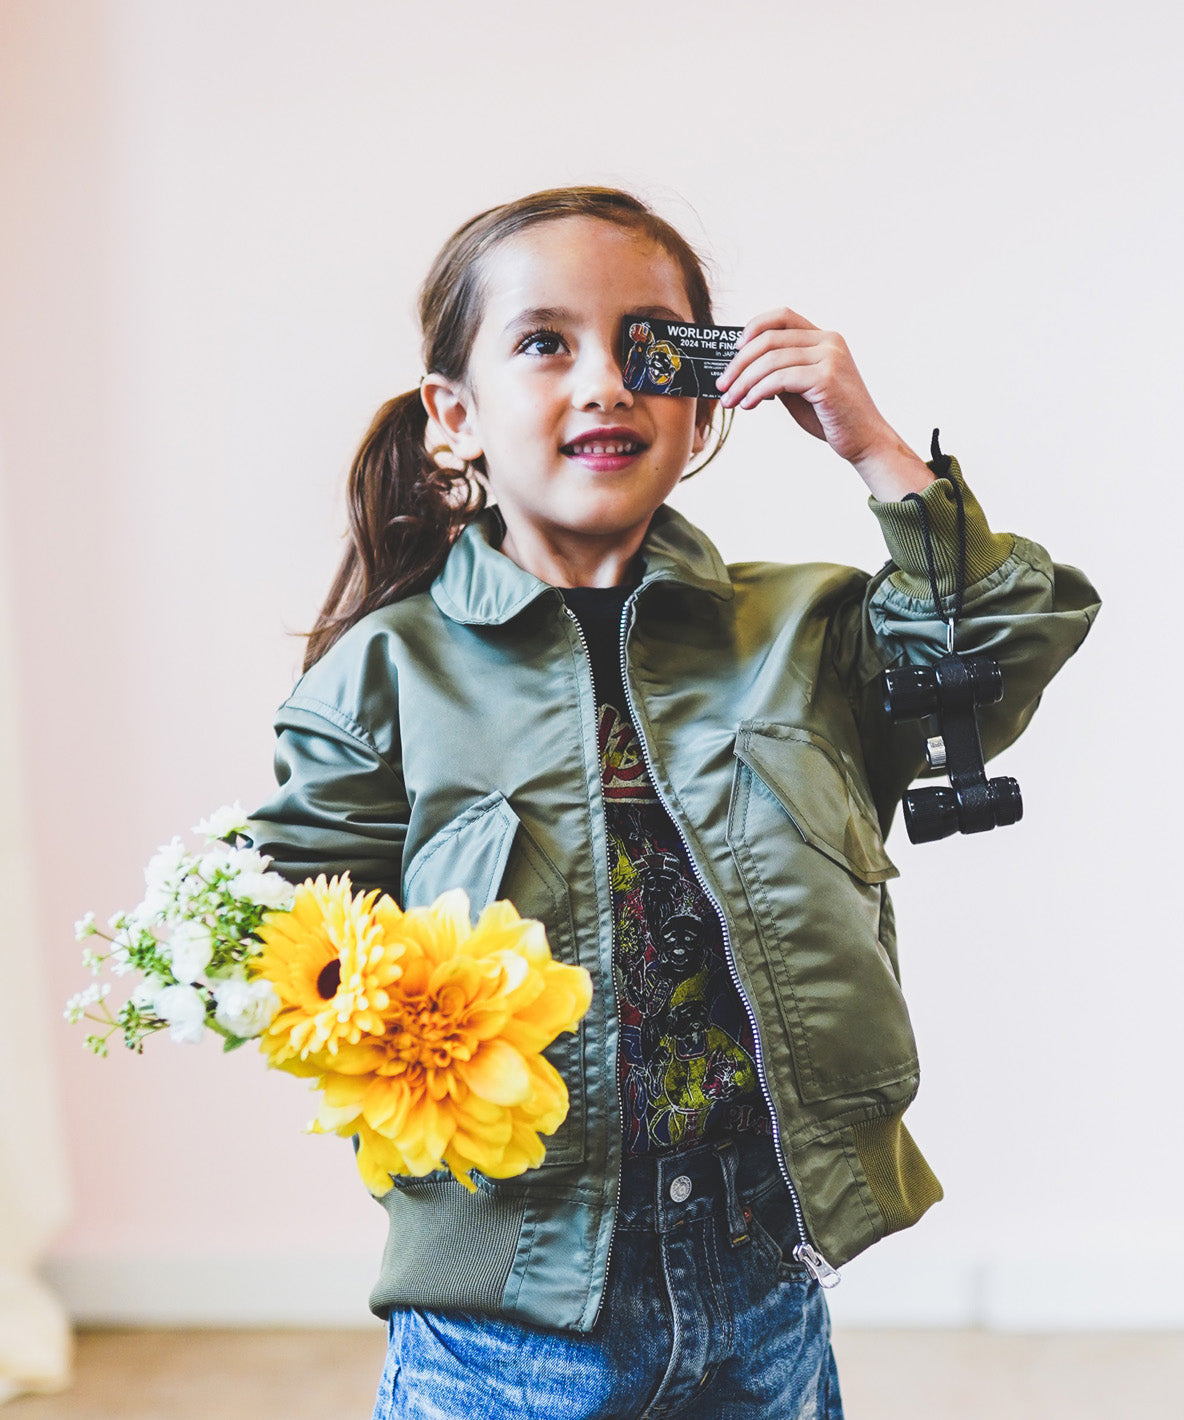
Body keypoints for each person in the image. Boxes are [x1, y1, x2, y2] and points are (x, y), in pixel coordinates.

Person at [246, 186, 1099, 1419]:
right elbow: (301, 970)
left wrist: (869, 443)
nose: (604, 382)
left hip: (760, 1288)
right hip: (504, 1323)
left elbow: (1006, 635)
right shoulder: (380, 677)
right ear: (455, 416)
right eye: (545, 343)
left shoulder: (803, 632)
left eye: (647, 346)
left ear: (704, 398)